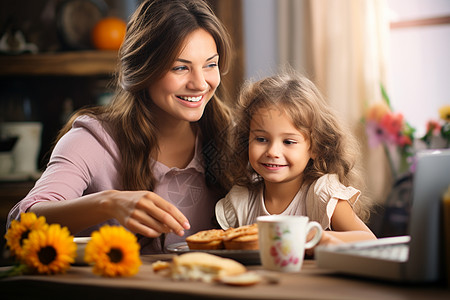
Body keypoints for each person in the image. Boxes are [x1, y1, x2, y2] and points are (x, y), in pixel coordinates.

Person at [7, 0, 235, 253]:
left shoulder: (232, 136)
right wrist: (108, 202)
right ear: (143, 69)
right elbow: (21, 223)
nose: (200, 83)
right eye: (180, 67)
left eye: (210, 64)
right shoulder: (93, 139)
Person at [215, 71, 376, 247]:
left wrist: (324, 238)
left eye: (288, 141)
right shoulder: (242, 200)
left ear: (315, 148)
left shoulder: (322, 195)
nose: (273, 152)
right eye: (261, 139)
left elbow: (369, 240)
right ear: (247, 140)